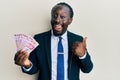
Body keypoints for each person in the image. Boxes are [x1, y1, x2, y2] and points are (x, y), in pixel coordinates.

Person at [14, 2, 93, 80]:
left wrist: (83, 55)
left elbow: (87, 69)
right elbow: (34, 70)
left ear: (70, 20)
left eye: (62, 17)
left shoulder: (77, 40)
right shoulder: (39, 39)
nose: (57, 20)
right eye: (54, 16)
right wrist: (27, 64)